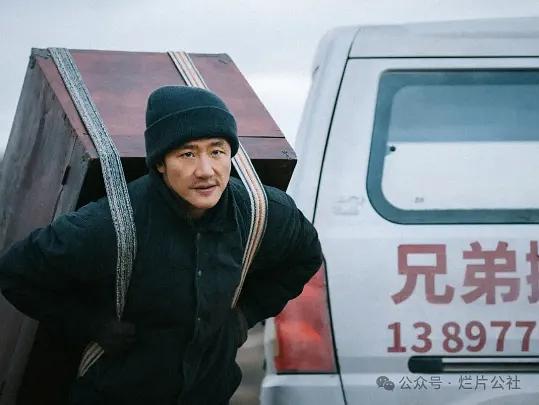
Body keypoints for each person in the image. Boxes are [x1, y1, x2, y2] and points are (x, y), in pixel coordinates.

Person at [0, 85, 323, 405]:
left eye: (217, 151)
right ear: (160, 163)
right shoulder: (110, 223)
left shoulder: (261, 211)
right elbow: (15, 272)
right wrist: (91, 324)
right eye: (187, 154)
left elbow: (305, 256)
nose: (206, 171)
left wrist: (245, 315)